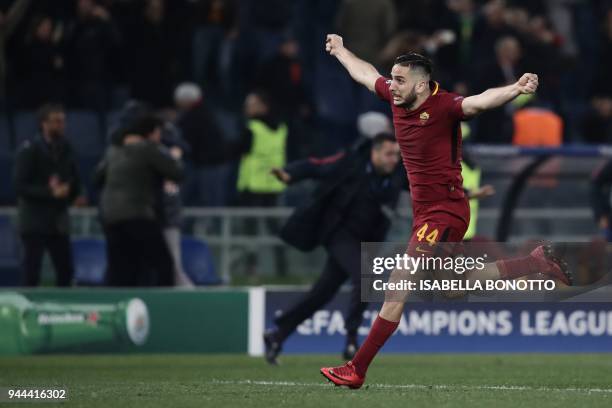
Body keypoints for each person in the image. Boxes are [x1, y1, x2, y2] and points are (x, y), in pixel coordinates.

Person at [319, 34, 570, 389]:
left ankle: (357, 368)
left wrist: (515, 88)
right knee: (451, 288)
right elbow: (364, 74)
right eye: (392, 78)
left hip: (444, 211)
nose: (392, 85)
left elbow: (479, 103)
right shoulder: (395, 96)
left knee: (398, 283)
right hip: (429, 213)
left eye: (400, 79)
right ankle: (534, 263)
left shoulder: (445, 106)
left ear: (422, 85)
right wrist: (343, 51)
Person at [263, 133, 403, 364]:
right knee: (364, 277)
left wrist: (463, 195)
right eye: (389, 154)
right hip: (339, 235)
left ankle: (277, 335)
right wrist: (290, 174)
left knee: (321, 294)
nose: (394, 159)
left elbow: (427, 186)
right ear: (374, 152)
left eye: (396, 155)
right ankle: (351, 340)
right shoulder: (351, 162)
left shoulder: (397, 176)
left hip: (364, 243)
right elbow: (318, 166)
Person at [95, 115, 183, 286]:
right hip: (138, 214)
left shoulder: (113, 151)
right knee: (163, 265)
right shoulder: (147, 149)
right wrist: (175, 157)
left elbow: (96, 179)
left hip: (110, 216)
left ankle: (117, 309)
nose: (160, 138)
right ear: (150, 134)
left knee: (122, 268)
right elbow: (176, 173)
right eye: (158, 133)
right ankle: (165, 307)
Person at [13, 103, 81, 286]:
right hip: (34, 221)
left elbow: (74, 178)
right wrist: (50, 193)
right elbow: (19, 185)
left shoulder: (67, 149)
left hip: (58, 221)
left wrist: (76, 193)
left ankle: (65, 310)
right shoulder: (30, 150)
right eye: (56, 121)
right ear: (44, 123)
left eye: (63, 121)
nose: (61, 125)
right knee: (32, 271)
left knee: (65, 270)